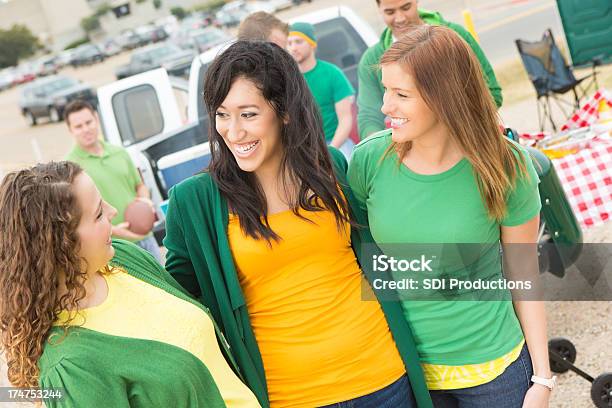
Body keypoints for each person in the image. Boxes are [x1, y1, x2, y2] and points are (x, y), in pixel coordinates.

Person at [163, 41, 433, 408]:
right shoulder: (194, 201)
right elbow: (174, 304)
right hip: (290, 396)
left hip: (384, 379)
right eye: (222, 114)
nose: (233, 131)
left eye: (248, 114)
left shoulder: (331, 166)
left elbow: (384, 252)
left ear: (285, 112)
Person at [348, 25, 553, 407]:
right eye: (385, 90)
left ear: (444, 97)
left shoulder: (506, 166)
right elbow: (359, 258)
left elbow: (524, 272)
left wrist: (542, 378)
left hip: (497, 374)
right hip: (406, 374)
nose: (385, 107)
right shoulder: (368, 162)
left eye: (401, 94)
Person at [0, 161, 260, 407]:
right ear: (60, 244)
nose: (113, 212)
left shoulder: (124, 257)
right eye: (99, 213)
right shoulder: (71, 367)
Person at [357, 0, 503, 139]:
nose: (400, 18)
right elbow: (369, 117)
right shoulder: (371, 59)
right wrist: (378, 148)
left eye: (406, 7)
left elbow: (491, 93)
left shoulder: (457, 37)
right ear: (379, 10)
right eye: (390, 12)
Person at [63, 99, 162, 263]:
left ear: (96, 119)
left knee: (163, 286)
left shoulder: (119, 152)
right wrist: (114, 230)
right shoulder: (70, 168)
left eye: (88, 122)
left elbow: (140, 185)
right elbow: (77, 216)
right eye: (78, 126)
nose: (86, 129)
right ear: (70, 130)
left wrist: (145, 202)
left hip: (146, 237)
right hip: (113, 246)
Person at [287, 22, 356, 158]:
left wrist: (331, 151)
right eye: (289, 43)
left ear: (312, 44)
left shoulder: (332, 73)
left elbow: (345, 119)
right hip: (304, 149)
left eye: (298, 42)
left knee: (346, 168)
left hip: (336, 143)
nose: (293, 48)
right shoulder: (288, 80)